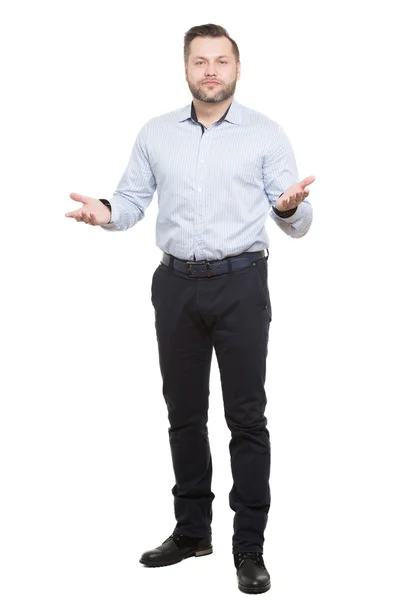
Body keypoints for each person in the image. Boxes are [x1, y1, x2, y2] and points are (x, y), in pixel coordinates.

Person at [65, 23, 314, 595]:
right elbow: (128, 202)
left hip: (242, 284)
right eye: (199, 61)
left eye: (220, 61)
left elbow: (296, 221)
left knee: (246, 418)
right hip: (175, 286)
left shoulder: (265, 135)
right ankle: (191, 531)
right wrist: (106, 212)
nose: (210, 71)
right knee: (183, 415)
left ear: (236, 68)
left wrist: (288, 208)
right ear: (185, 68)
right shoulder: (156, 133)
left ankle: (248, 547)